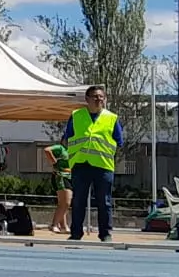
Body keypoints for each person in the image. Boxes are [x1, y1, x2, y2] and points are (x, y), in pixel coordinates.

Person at [65, 85, 123, 242]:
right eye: (95, 97)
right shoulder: (76, 116)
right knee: (78, 201)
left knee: (104, 202)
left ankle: (105, 234)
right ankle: (76, 233)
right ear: (87, 99)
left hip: (103, 166)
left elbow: (119, 141)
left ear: (105, 100)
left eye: (101, 97)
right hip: (81, 165)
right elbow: (67, 137)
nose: (98, 100)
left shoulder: (111, 118)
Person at [45, 141, 72, 234]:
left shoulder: (73, 150)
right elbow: (47, 150)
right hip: (61, 176)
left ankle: (64, 226)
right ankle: (54, 224)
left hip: (69, 176)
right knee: (66, 202)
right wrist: (54, 161)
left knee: (63, 203)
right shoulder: (60, 148)